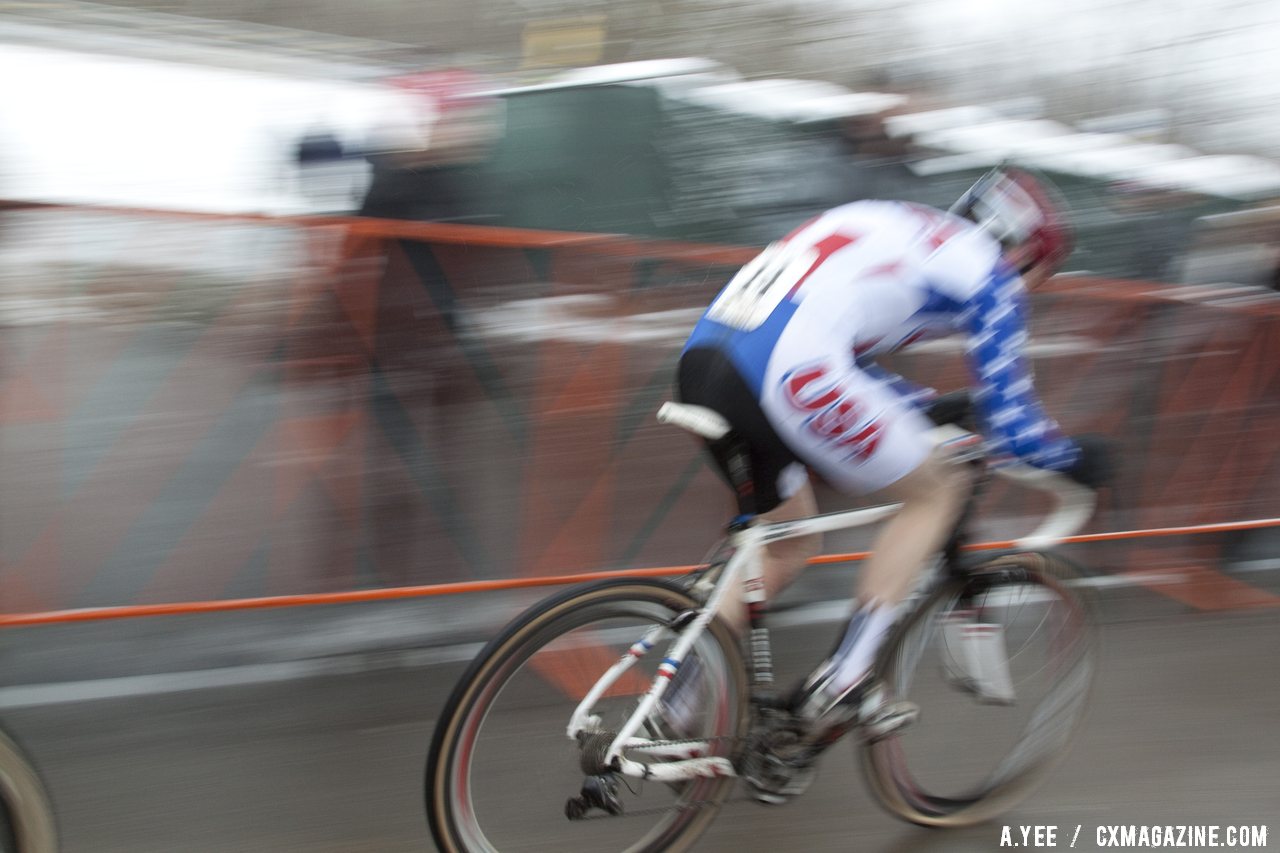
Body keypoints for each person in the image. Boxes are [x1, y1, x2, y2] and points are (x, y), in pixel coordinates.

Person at [670, 166, 1110, 802]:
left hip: (707, 358)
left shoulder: (896, 219)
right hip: (787, 366)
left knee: (785, 546)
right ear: (1026, 253)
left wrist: (929, 404)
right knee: (936, 491)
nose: (1036, 290)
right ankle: (847, 676)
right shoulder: (992, 274)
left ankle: (672, 704)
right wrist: (1076, 460)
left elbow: (844, 343)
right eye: (1043, 275)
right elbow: (1015, 426)